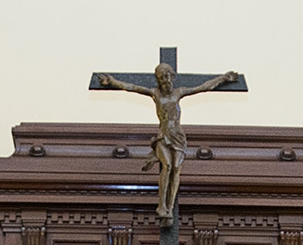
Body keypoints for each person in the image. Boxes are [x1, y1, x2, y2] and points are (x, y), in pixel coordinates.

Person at [97, 64, 238, 225]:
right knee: (168, 166)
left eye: (169, 76)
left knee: (177, 169)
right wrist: (112, 81)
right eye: (163, 77)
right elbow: (131, 87)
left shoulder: (179, 92)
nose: (166, 80)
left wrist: (222, 78)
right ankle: (161, 205)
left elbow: (203, 87)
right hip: (163, 136)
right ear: (158, 79)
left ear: (173, 77)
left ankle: (169, 209)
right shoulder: (155, 93)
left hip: (178, 136)